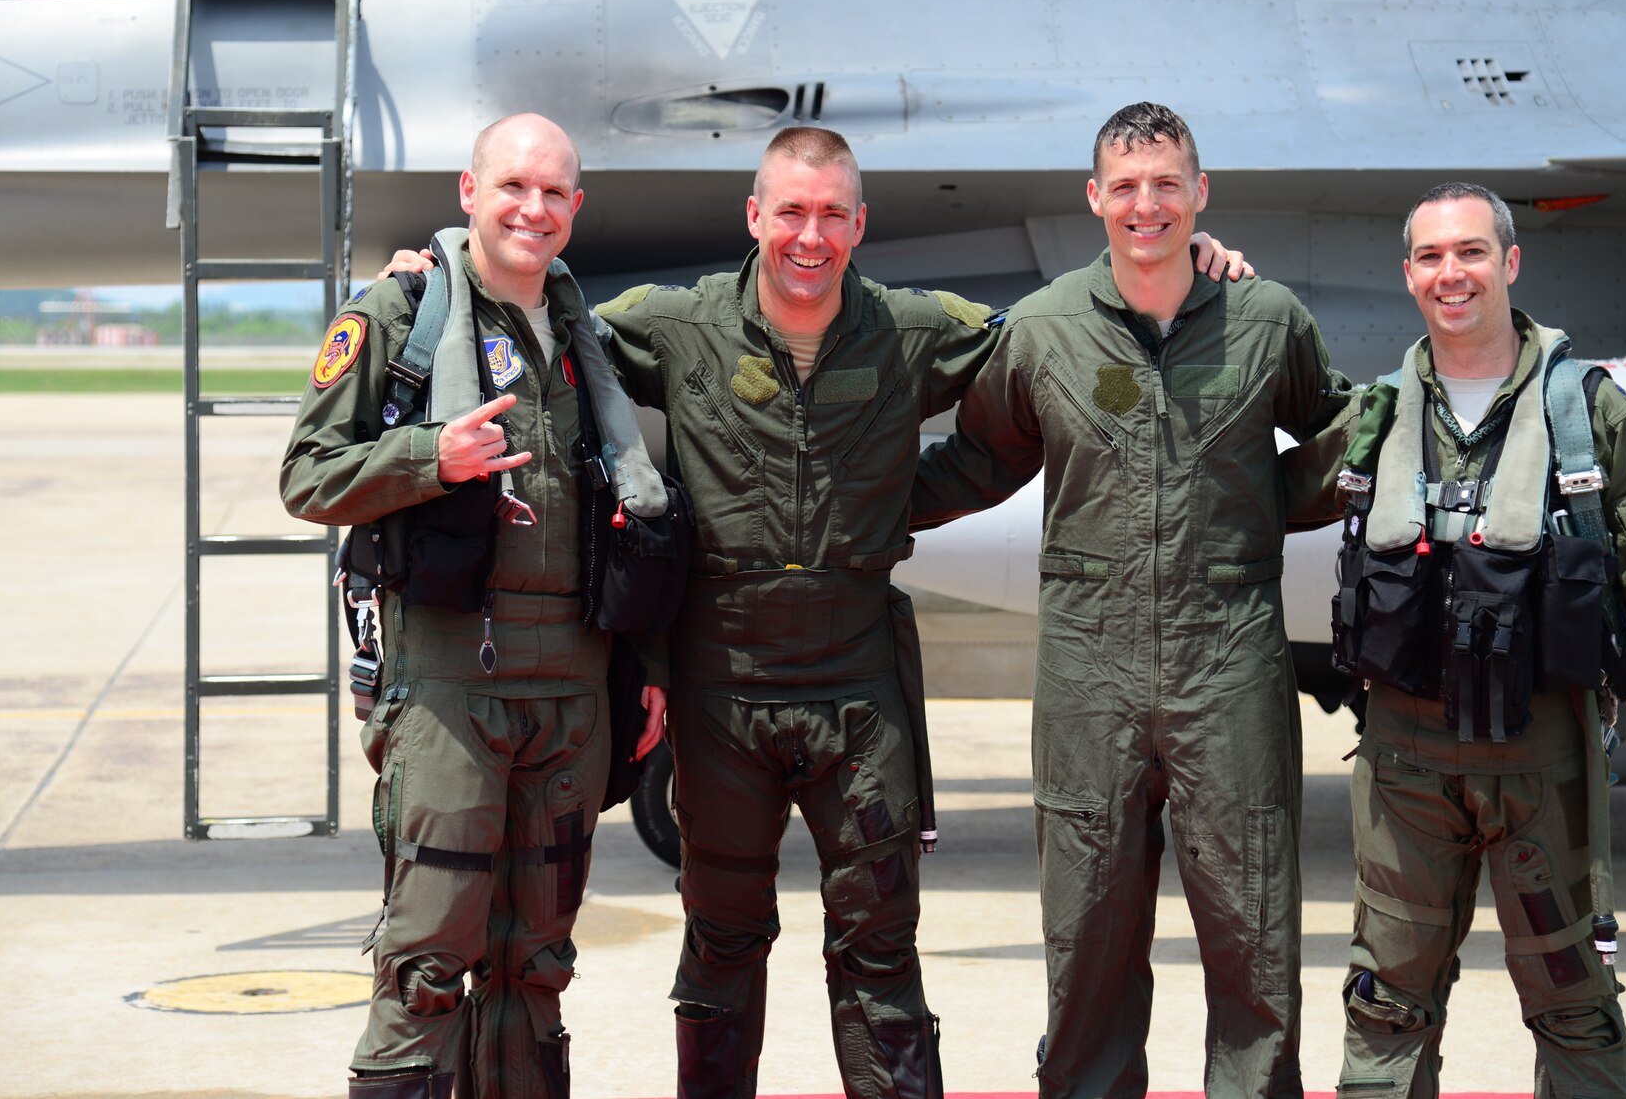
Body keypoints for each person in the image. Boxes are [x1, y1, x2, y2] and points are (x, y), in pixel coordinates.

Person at [381, 122, 1247, 1098]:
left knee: (879, 944)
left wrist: (1180, 262)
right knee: (721, 939)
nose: (810, 235)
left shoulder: (913, 329)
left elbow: (1050, 343)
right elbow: (542, 311)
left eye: (832, 214)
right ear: (754, 216)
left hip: (857, 690)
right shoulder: (676, 323)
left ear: (858, 225)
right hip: (723, 692)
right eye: (790, 211)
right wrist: (439, 280)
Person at [910, 102, 1353, 1099]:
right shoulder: (1044, 328)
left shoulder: (1266, 321)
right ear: (1093, 198)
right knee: (1087, 937)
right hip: (1089, 674)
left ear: (1199, 193)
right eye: (1124, 186)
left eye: (1165, 184)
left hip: (1227, 665)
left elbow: (1341, 437)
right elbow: (979, 459)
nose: (1144, 204)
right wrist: (851, 505)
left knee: (1254, 934)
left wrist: (1262, 504)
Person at [280, 114, 666, 1099]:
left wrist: (649, 666)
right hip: (449, 685)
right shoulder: (400, 314)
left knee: (536, 968)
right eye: (512, 187)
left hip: (571, 692)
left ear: (575, 206)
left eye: (553, 192)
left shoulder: (587, 338)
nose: (533, 209)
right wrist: (431, 457)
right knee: (426, 964)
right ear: (469, 191)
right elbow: (306, 475)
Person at [1308, 183, 1626, 1098]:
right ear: (1409, 274)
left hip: (1543, 755)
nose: (1451, 273)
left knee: (1573, 1000)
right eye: (1430, 256)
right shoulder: (1378, 413)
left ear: (1510, 262)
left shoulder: (1589, 410)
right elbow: (1271, 488)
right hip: (1405, 758)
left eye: (1472, 252)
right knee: (1386, 1002)